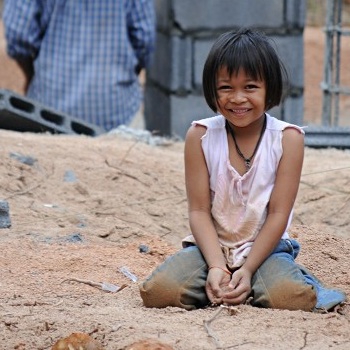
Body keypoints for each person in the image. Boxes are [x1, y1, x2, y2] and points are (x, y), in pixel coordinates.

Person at [139, 28, 346, 312]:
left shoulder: (288, 139)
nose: (237, 98)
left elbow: (278, 214)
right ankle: (223, 284)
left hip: (266, 250)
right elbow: (198, 211)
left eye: (250, 87)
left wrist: (247, 270)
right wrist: (215, 266)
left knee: (289, 298)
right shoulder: (199, 136)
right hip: (211, 247)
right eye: (226, 88)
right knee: (158, 293)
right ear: (212, 90)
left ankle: (260, 281)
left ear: (269, 88)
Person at [3, 0, 156, 131]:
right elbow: (144, 38)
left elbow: (18, 33)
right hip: (117, 111)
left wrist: (31, 75)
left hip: (49, 108)